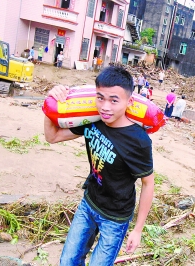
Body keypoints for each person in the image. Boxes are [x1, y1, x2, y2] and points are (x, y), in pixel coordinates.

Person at [44, 66, 154, 265]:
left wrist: (137, 230)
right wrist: (50, 104)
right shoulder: (93, 121)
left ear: (129, 102)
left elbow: (148, 183)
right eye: (100, 98)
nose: (105, 107)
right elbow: (53, 137)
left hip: (116, 217)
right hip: (89, 204)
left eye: (114, 100)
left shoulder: (138, 141)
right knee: (68, 261)